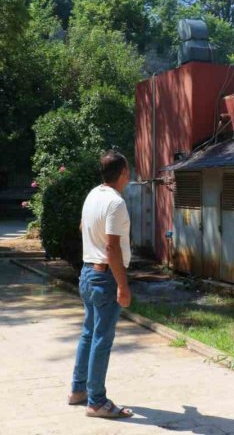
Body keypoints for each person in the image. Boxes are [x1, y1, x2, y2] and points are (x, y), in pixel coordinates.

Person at [68, 151, 134, 420]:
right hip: (104, 277)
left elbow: (83, 226)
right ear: (124, 173)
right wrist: (122, 285)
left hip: (87, 272)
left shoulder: (93, 195)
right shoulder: (116, 203)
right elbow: (111, 246)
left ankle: (78, 390)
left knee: (88, 333)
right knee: (101, 339)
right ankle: (96, 401)